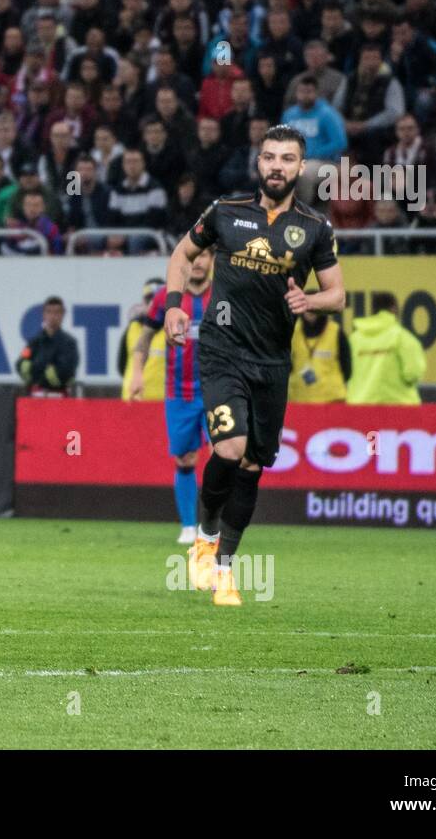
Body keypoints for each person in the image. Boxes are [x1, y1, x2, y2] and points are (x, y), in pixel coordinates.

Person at [165, 125, 345, 606]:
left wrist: (311, 300)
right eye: (269, 157)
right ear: (258, 163)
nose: (277, 166)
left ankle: (225, 569)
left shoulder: (315, 227)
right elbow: (183, 254)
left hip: (272, 362)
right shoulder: (226, 212)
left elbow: (338, 293)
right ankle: (204, 536)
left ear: (300, 168)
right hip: (223, 351)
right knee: (229, 448)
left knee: (250, 465)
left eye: (287, 159)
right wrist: (175, 305)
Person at [130, 249, 214, 544]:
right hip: (179, 392)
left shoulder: (224, 294)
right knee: (184, 458)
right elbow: (145, 336)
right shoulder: (167, 296)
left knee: (222, 455)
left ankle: (214, 527)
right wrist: (137, 374)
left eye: (205, 257)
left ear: (213, 261)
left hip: (218, 390)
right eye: (195, 258)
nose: (200, 263)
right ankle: (189, 526)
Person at [346, 292, 427, 406]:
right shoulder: (402, 337)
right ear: (394, 308)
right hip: (399, 407)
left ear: (373, 309)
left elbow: (345, 373)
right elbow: (413, 373)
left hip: (361, 407)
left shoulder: (354, 339)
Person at [288, 292, 351, 403]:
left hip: (332, 400)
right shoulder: (293, 332)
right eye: (306, 306)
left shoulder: (335, 331)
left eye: (313, 307)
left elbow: (347, 367)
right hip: (299, 400)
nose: (310, 311)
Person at [16, 296, 79, 396]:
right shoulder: (34, 342)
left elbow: (65, 372)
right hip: (35, 396)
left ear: (63, 314)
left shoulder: (69, 343)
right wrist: (47, 369)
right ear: (43, 315)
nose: (52, 316)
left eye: (57, 312)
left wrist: (36, 371)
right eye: (49, 312)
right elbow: (21, 364)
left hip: (59, 397)